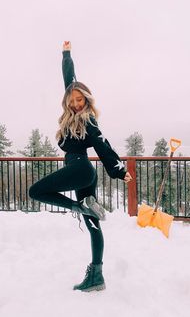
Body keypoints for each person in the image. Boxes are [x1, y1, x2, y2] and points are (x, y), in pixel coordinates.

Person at [29, 41, 132, 292]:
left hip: (81, 170)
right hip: (84, 174)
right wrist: (66, 55)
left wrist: (120, 170)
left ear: (86, 100)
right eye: (72, 100)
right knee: (91, 222)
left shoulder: (88, 120)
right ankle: (97, 275)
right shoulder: (72, 111)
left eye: (80, 99)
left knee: (35, 192)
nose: (76, 103)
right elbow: (70, 78)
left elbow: (103, 145)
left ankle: (79, 206)